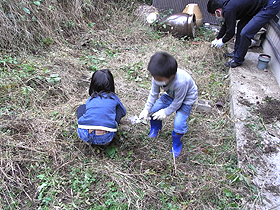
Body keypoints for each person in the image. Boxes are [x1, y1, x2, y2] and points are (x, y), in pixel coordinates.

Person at [139, 52, 198, 158]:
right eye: (154, 78)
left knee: (179, 124)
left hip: (185, 100)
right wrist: (146, 109)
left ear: (172, 76)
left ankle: (177, 143)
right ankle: (155, 128)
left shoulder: (181, 82)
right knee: (154, 110)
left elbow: (178, 102)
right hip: (170, 95)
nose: (156, 81)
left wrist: (166, 112)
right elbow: (153, 94)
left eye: (160, 80)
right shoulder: (157, 77)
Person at [207, 0, 280, 68]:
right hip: (254, 7)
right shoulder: (226, 6)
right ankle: (236, 52)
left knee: (246, 33)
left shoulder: (228, 10)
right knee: (241, 26)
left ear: (217, 11)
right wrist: (217, 38)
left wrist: (222, 41)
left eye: (215, 15)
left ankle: (237, 60)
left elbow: (231, 32)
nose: (216, 17)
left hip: (269, 6)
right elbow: (226, 25)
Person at [77, 69, 126, 145]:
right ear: (111, 84)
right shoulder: (113, 97)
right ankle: (104, 133)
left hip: (84, 134)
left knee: (82, 107)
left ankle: (90, 134)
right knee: (118, 109)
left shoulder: (90, 99)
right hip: (106, 137)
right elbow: (123, 112)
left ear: (93, 84)